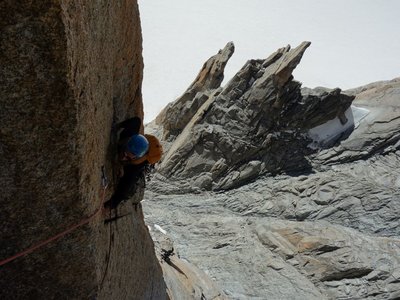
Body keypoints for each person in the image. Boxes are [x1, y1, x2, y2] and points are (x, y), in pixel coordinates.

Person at [104, 117, 163, 209]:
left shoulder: (135, 165)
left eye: (128, 157)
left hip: (145, 155)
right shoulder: (127, 136)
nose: (124, 157)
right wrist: (117, 126)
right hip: (140, 145)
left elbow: (126, 185)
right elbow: (136, 121)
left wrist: (113, 203)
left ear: (136, 157)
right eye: (125, 152)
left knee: (130, 178)